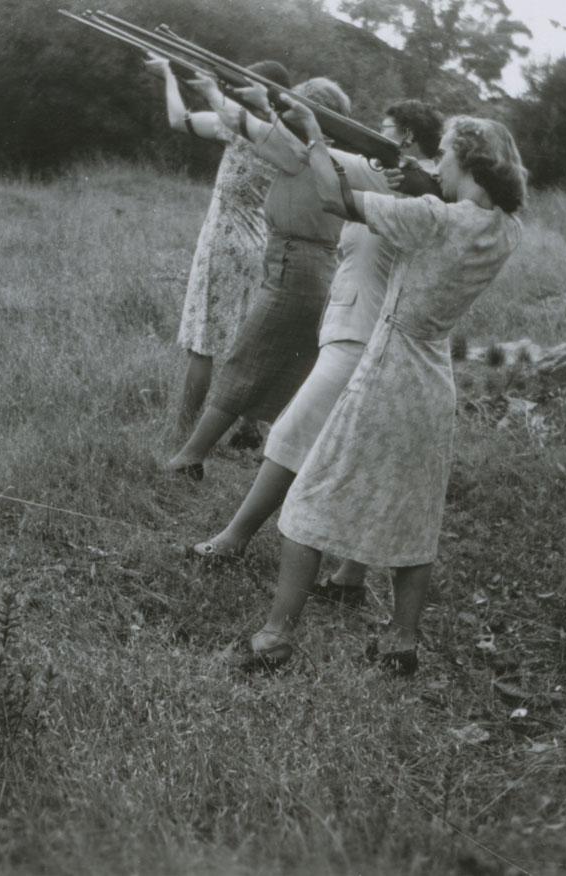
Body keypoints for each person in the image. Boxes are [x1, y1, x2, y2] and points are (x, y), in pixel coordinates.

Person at [243, 105, 526, 675]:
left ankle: (274, 639)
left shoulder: (433, 216)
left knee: (308, 500)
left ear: (467, 161)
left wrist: (316, 139)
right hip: (432, 377)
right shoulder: (506, 228)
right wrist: (430, 182)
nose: (436, 165)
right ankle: (401, 642)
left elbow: (333, 198)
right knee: (414, 515)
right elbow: (459, 205)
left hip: (388, 365)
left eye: (443, 156)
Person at [190, 100, 445, 608]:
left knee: (291, 434)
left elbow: (330, 175)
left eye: (387, 130)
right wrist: (287, 115)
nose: (375, 136)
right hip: (363, 327)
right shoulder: (397, 178)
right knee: (366, 452)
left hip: (363, 332)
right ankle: (350, 575)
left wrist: (312, 131)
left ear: (410, 140)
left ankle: (234, 539)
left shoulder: (419, 187)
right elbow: (310, 154)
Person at [162, 73, 362, 481]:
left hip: (296, 263)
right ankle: (286, 454)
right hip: (307, 263)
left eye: (295, 110)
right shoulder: (324, 153)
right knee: (290, 370)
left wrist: (224, 95)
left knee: (243, 363)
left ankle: (189, 457)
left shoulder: (303, 152)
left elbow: (265, 135)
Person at [146, 54, 292, 447]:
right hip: (256, 246)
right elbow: (183, 120)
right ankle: (248, 425)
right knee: (242, 344)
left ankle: (185, 432)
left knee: (203, 344)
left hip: (223, 244)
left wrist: (170, 77)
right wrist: (172, 76)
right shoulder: (283, 137)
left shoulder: (239, 129)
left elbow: (180, 120)